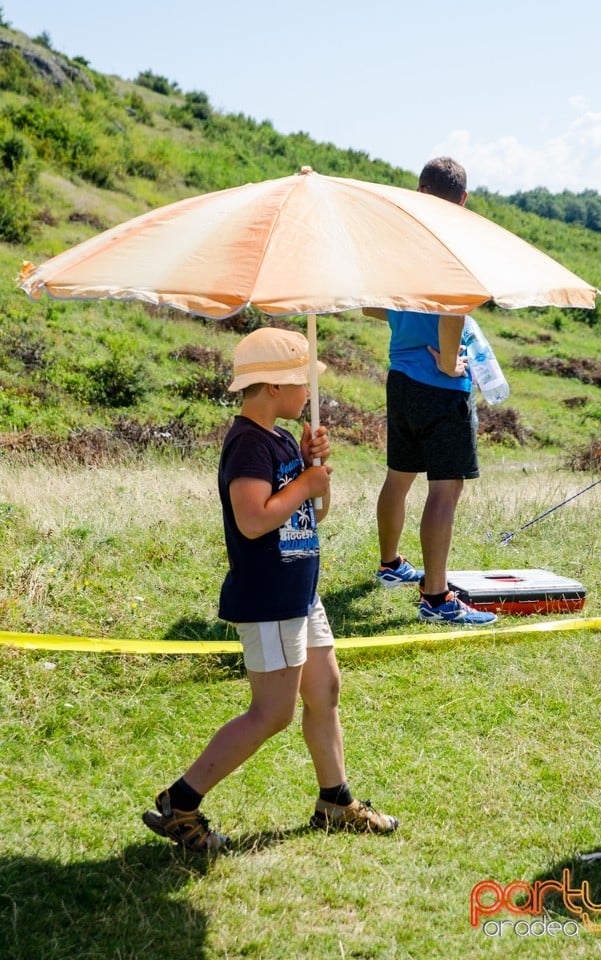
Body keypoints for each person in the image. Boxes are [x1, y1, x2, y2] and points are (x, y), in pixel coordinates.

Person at [142, 327, 398, 851]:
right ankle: (181, 803)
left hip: (301, 592)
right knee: (273, 713)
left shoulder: (281, 439)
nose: (310, 394)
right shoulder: (246, 445)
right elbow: (253, 519)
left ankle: (335, 800)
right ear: (274, 386)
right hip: (270, 598)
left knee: (324, 691)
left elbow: (313, 514)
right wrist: (304, 482)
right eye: (303, 383)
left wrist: (311, 471)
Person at [365, 157, 497, 626]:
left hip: (400, 380)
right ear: (462, 200)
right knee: (445, 490)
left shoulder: (400, 245)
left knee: (399, 476)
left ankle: (389, 565)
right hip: (441, 385)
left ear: (419, 191)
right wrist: (446, 360)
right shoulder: (453, 242)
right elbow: (454, 309)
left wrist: (406, 315)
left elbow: (370, 307)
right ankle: (436, 598)